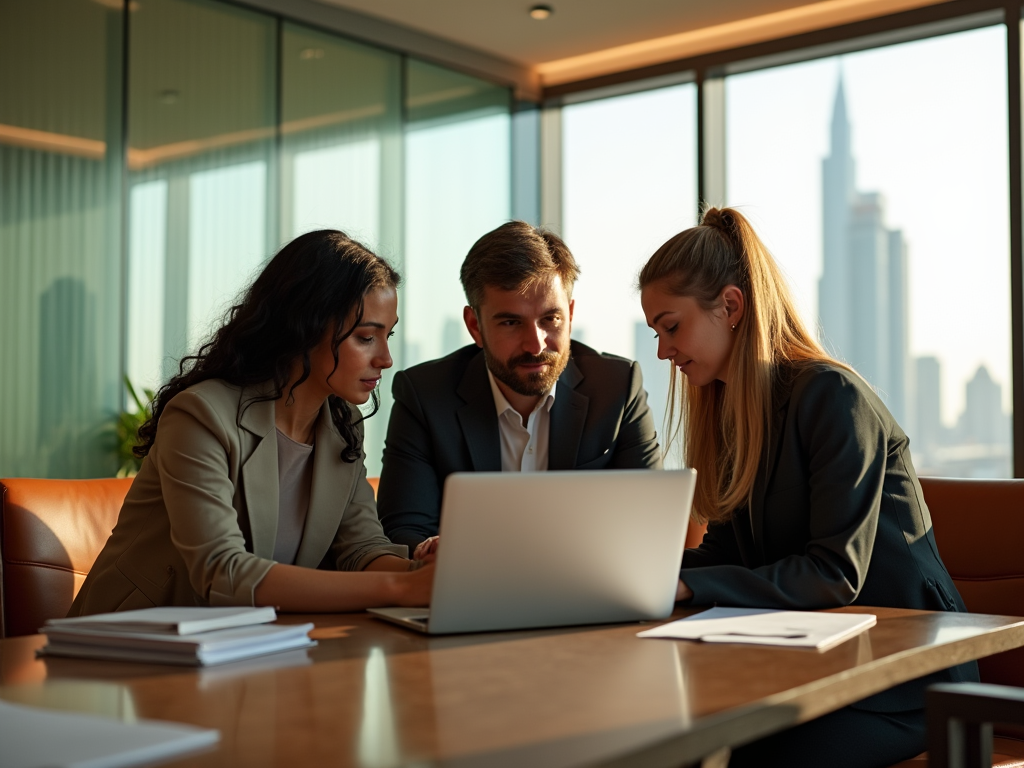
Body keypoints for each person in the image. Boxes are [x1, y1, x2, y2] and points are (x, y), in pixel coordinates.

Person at [639, 207, 977, 768]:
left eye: (671, 326)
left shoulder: (832, 397)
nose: (662, 351)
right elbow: (726, 552)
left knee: (746, 752)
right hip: (822, 663)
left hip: (910, 677)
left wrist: (687, 590)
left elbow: (833, 574)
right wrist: (642, 576)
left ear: (730, 306)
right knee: (680, 732)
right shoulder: (732, 416)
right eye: (655, 331)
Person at [70, 230, 433, 616]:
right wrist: (403, 585)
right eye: (366, 338)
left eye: (387, 336)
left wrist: (427, 572)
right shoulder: (200, 415)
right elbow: (222, 572)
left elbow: (362, 550)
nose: (386, 359)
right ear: (304, 326)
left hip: (246, 646)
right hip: (126, 645)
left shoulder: (342, 425)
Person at [378, 221, 663, 551]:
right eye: (511, 322)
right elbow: (404, 528)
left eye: (550, 319)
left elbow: (649, 523)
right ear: (475, 326)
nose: (535, 344)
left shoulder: (617, 388)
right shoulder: (425, 395)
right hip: (474, 591)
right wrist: (434, 552)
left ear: (569, 315)